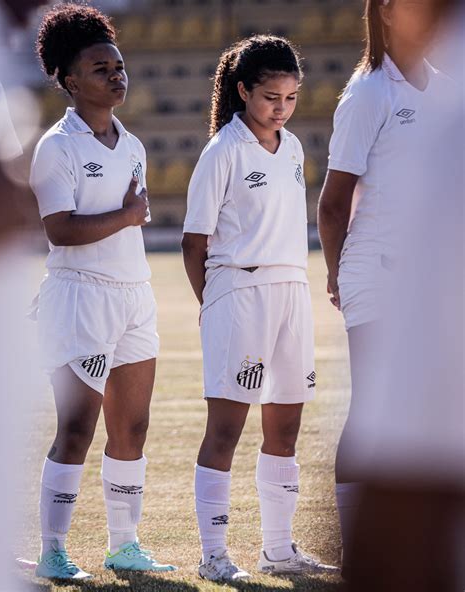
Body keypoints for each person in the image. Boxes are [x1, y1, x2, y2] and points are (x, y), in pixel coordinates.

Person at [182, 34, 338, 582]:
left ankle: (278, 549)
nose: (282, 108)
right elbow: (194, 242)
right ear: (243, 91)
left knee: (286, 427)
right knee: (225, 428)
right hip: (238, 292)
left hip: (291, 291)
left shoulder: (292, 147)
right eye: (272, 96)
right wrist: (216, 303)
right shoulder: (222, 151)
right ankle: (214, 555)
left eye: (291, 97)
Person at [30, 3, 176, 579]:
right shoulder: (57, 147)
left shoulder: (133, 144)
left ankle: (124, 544)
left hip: (134, 295)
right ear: (69, 80)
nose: (117, 75)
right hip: (79, 298)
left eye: (118, 66)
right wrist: (127, 215)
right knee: (76, 429)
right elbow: (60, 230)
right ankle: (53, 550)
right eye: (100, 68)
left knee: (132, 428)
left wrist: (127, 218)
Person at [317, 0, 458, 579]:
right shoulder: (369, 93)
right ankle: (354, 545)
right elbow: (333, 200)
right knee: (377, 409)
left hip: (431, 277)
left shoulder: (447, 88)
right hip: (373, 272)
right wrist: (335, 273)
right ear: (389, 13)